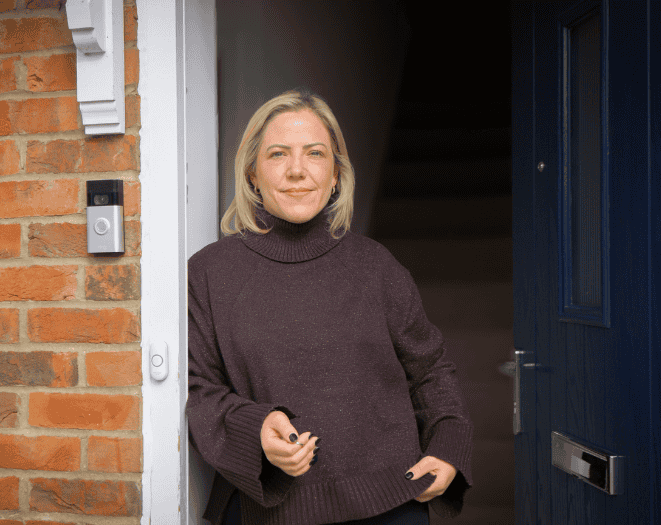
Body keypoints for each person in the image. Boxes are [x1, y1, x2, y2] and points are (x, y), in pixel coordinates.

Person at [186, 88, 473, 525]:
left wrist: (448, 446)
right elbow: (198, 390)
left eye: (315, 154)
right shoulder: (209, 273)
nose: (298, 171)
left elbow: (431, 370)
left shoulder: (376, 265)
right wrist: (256, 430)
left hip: (389, 505)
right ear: (251, 174)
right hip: (267, 512)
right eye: (278, 154)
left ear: (336, 174)